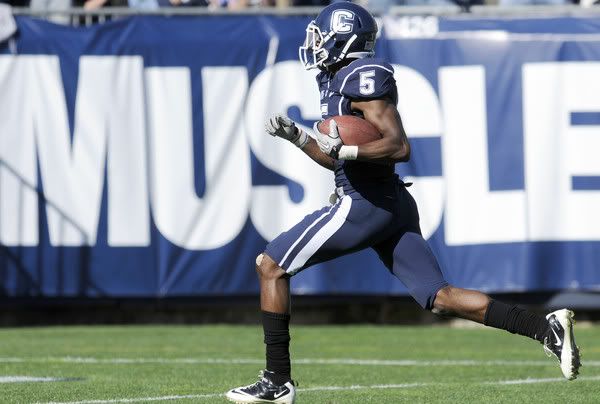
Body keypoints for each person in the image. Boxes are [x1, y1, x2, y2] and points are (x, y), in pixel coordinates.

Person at [225, 2, 581, 403]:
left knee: (270, 265)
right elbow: (334, 155)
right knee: (439, 297)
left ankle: (277, 382)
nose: (316, 43)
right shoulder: (336, 80)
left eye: (322, 35)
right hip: (388, 202)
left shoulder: (361, 75)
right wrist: (298, 136)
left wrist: (345, 153)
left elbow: (397, 145)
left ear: (343, 37)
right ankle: (545, 329)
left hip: (365, 203)